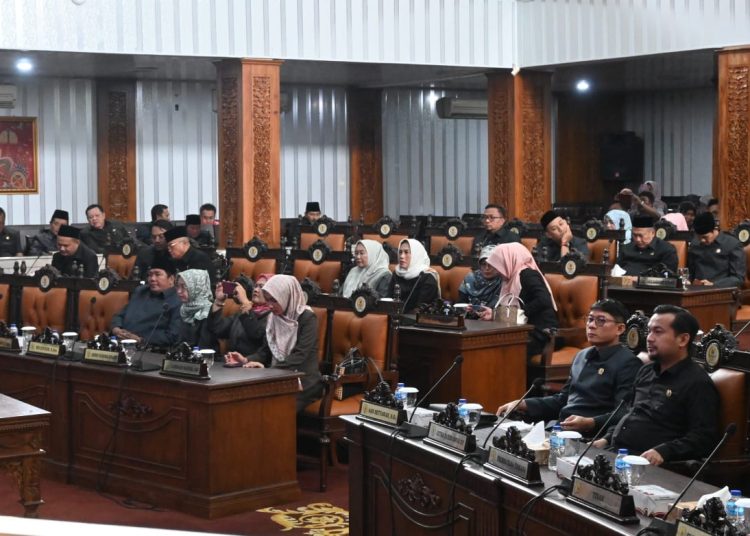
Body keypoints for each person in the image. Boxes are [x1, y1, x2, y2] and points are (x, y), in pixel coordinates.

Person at [594, 305, 719, 465]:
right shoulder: (646, 370)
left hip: (652, 467)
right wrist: (606, 439)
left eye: (658, 332)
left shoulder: (697, 382)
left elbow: (703, 438)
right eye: (649, 331)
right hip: (616, 454)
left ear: (682, 339)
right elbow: (631, 413)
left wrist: (664, 451)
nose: (649, 338)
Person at [496, 299, 641, 436]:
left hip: (591, 436)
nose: (591, 325)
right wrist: (524, 403)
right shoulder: (581, 356)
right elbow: (563, 400)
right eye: (590, 319)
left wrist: (591, 423)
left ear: (620, 328)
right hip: (561, 427)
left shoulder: (628, 363)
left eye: (601, 321)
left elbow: (623, 413)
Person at [225, 275, 323, 413]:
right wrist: (246, 359)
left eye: (274, 300)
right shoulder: (274, 316)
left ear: (286, 296)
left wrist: (269, 371)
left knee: (274, 408)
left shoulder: (307, 318)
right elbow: (266, 350)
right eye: (268, 299)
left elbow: (299, 356)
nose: (270, 305)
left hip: (305, 381)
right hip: (278, 377)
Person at [483, 243, 558, 358]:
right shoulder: (509, 278)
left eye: (499, 265)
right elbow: (512, 310)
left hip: (541, 333)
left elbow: (543, 300)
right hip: (522, 330)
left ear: (509, 261)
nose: (497, 271)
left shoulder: (527, 275)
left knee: (503, 347)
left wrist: (518, 313)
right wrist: (494, 314)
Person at [110, 257, 181, 347]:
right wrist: (116, 329)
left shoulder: (177, 300)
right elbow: (119, 315)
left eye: (157, 274)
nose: (152, 279)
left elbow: (172, 336)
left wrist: (140, 339)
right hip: (121, 343)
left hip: (150, 350)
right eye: (150, 275)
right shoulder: (140, 292)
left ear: (171, 279)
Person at [212, 273, 274, 359]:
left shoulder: (273, 316)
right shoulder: (242, 312)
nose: (256, 289)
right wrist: (218, 301)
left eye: (261, 287)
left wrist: (245, 302)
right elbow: (217, 329)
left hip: (252, 365)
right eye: (255, 286)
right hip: (230, 363)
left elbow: (256, 335)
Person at [688, 212, 745, 288]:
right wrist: (688, 280)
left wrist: (714, 285)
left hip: (721, 291)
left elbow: (738, 278)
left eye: (705, 237)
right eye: (699, 237)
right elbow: (690, 272)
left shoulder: (732, 244)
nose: (702, 240)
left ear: (714, 230)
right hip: (697, 290)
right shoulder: (695, 244)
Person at [387, 238, 439, 313]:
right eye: (400, 252)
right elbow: (389, 299)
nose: (401, 256)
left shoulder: (427, 277)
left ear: (416, 255)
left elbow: (421, 309)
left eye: (406, 252)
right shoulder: (396, 273)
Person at [175, 269, 217, 352]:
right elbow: (179, 343)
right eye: (178, 286)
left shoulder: (208, 311)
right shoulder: (184, 309)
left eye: (184, 287)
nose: (179, 291)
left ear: (197, 287)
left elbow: (204, 347)